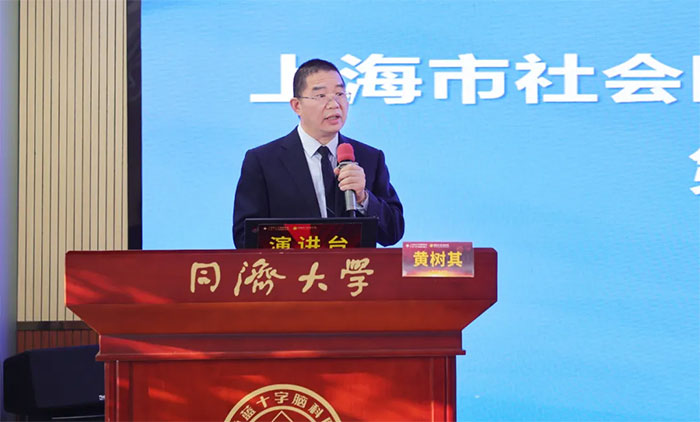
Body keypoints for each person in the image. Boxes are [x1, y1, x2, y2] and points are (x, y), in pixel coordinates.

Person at [232, 59, 404, 248]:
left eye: (340, 94)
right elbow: (244, 237)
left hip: (354, 267)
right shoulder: (263, 161)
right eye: (321, 96)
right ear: (297, 105)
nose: (334, 104)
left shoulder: (370, 157)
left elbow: (393, 232)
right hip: (293, 267)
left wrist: (363, 197)